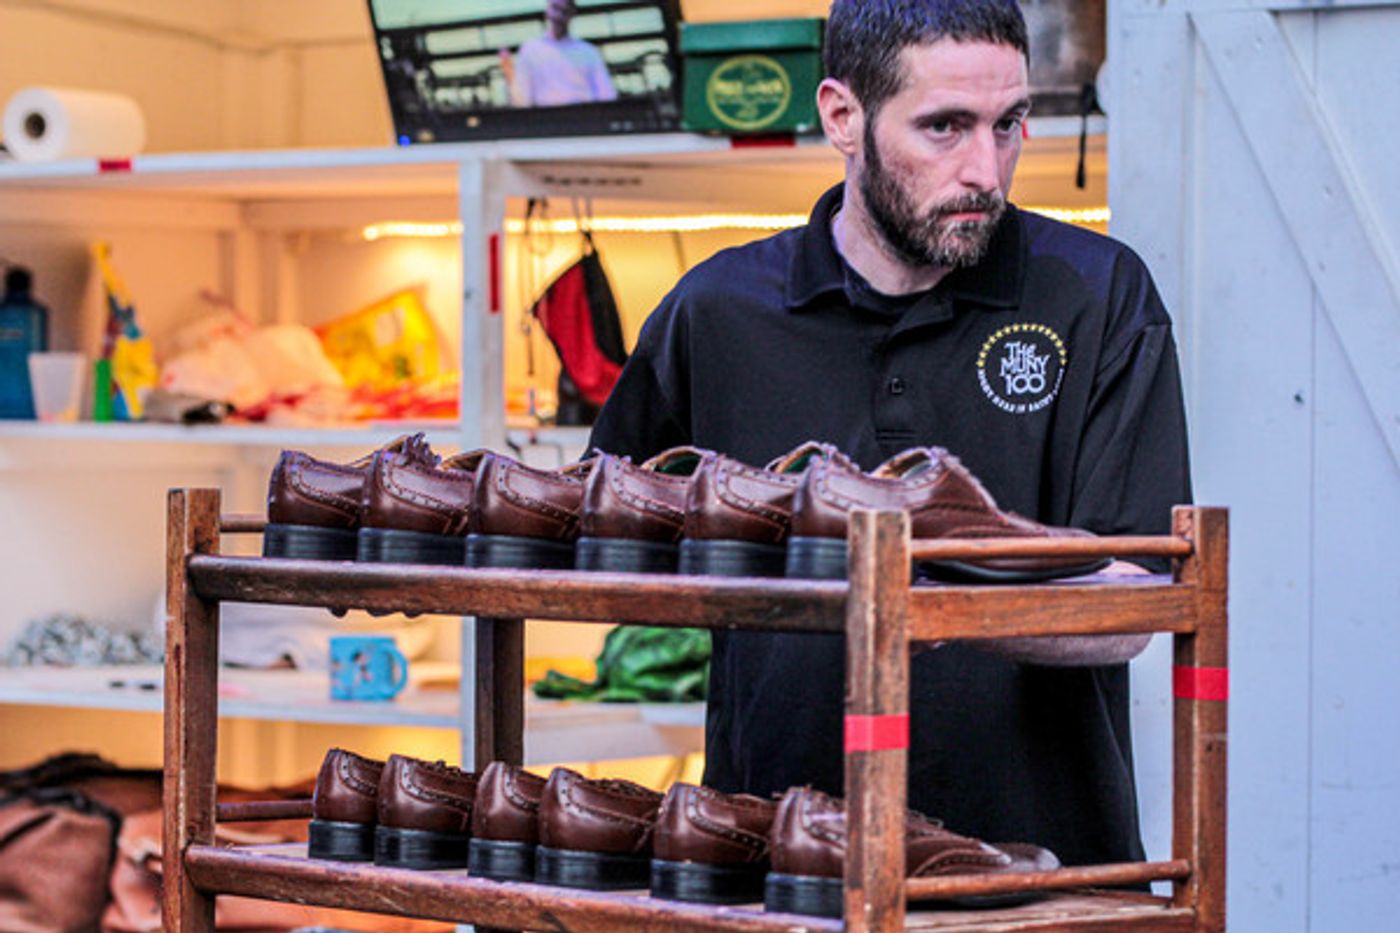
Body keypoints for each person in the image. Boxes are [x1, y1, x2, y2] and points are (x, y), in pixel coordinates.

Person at [587, 0, 1190, 871]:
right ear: (842, 115)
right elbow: (605, 536)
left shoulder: (1098, 298)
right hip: (776, 876)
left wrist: (914, 574)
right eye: (944, 126)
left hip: (1049, 882)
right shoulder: (715, 313)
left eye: (1009, 123)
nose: (986, 168)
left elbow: (1131, 601)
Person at [502, 0, 618, 107]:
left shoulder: (588, 52)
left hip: (583, 120)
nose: (558, 16)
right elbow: (522, 100)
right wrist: (509, 74)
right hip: (546, 122)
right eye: (555, 8)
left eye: (564, 11)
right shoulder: (530, 50)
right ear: (547, 9)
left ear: (572, 14)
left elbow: (606, 95)